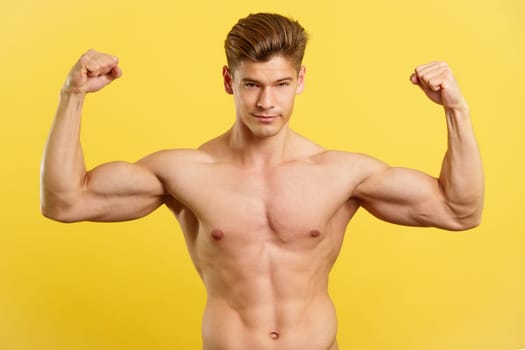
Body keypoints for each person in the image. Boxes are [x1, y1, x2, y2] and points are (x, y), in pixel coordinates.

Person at [40, 12, 484, 350]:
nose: (266, 102)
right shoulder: (185, 173)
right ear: (229, 81)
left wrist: (456, 110)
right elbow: (65, 202)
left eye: (281, 84)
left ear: (300, 81)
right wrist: (71, 95)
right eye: (252, 85)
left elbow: (459, 210)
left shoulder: (341, 174)